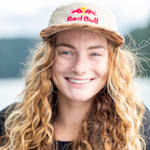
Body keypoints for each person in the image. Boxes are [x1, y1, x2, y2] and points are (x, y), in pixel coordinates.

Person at [0, 2, 150, 150]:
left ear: (112, 62)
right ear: (47, 59)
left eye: (95, 54)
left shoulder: (137, 124)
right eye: (66, 52)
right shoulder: (9, 122)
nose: (80, 68)